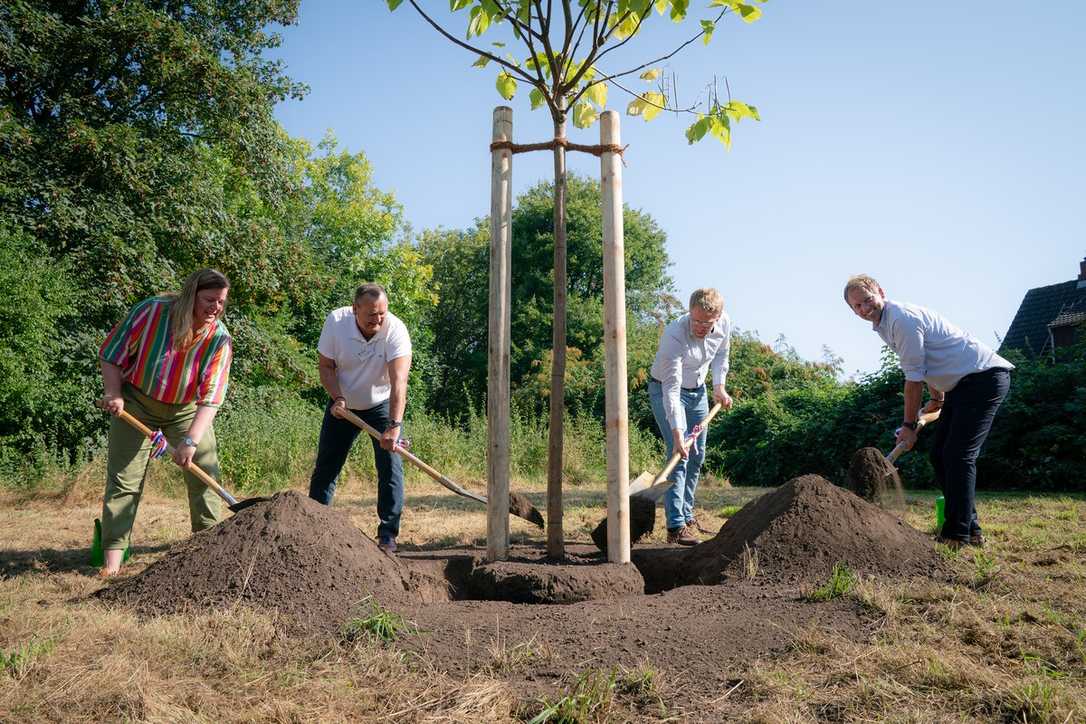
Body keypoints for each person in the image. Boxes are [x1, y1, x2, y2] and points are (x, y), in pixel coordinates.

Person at [844, 274, 1013, 549]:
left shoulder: (901, 320)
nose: (864, 308)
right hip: (960, 386)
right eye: (857, 306)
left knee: (958, 456)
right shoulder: (884, 324)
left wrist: (909, 426)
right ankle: (970, 529)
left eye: (867, 300)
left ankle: (956, 534)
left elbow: (912, 379)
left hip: (984, 379)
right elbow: (926, 363)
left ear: (880, 292)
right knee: (939, 455)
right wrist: (937, 397)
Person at [97, 268, 233, 576]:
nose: (215, 308)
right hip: (137, 401)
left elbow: (212, 396)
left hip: (185, 409)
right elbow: (111, 352)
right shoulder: (152, 312)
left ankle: (207, 550)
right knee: (124, 479)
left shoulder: (219, 338)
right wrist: (113, 393)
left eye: (221, 302)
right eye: (209, 300)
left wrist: (190, 441)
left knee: (205, 473)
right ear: (190, 295)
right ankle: (112, 564)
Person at [308, 283, 412, 553]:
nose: (377, 320)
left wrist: (394, 426)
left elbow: (399, 381)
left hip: (381, 404)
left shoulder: (396, 330)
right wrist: (337, 397)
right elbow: (326, 366)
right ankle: (314, 529)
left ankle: (388, 535)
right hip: (342, 405)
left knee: (390, 466)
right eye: (371, 315)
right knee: (327, 467)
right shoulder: (336, 322)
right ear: (355, 309)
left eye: (382, 314)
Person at [648, 288, 734, 546]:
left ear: (717, 317)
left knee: (697, 454)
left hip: (699, 391)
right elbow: (671, 390)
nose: (698, 326)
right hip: (665, 389)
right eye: (694, 320)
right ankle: (675, 527)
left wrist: (719, 386)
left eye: (705, 322)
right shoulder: (674, 334)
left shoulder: (725, 323)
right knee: (680, 456)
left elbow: (721, 353)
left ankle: (686, 515)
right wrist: (677, 435)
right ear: (689, 313)